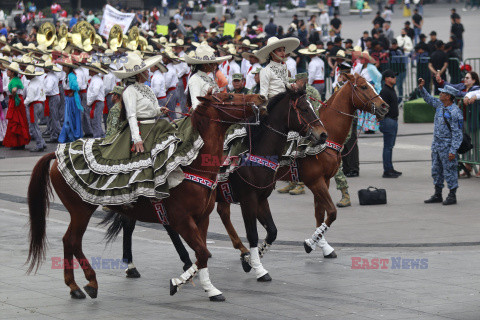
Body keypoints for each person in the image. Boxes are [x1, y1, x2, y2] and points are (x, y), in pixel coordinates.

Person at [419, 80, 463, 205]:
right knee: (436, 170)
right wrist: (422, 89)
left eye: (443, 93)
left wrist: (453, 150)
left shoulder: (455, 112)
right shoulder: (440, 105)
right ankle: (437, 194)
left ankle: (452, 195)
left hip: (447, 146)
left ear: (448, 96)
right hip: (437, 145)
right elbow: (428, 99)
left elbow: (457, 134)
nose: (440, 94)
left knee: (450, 170)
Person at [185, 44, 231, 110]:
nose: (214, 65)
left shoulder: (208, 77)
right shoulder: (195, 79)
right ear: (204, 65)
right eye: (212, 63)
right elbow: (196, 105)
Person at [2, 62, 30, 149]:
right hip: (17, 101)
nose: (7, 72)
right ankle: (19, 143)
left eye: (8, 70)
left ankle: (17, 143)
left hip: (15, 101)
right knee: (20, 121)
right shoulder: (15, 79)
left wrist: (13, 96)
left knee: (16, 121)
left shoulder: (14, 80)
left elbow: (14, 90)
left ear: (12, 72)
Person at [379, 70, 401, 178]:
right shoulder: (385, 91)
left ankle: (390, 168)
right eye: (392, 77)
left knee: (390, 146)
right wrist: (384, 120)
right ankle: (387, 170)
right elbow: (381, 108)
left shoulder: (391, 90)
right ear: (387, 78)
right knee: (388, 147)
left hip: (392, 120)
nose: (395, 78)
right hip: (388, 121)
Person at [57, 56, 83, 143]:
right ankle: (69, 135)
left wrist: (73, 91)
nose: (63, 67)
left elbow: (76, 86)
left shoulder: (71, 76)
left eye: (64, 66)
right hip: (68, 98)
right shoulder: (67, 75)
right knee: (69, 117)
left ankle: (73, 135)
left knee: (71, 117)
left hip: (72, 99)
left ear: (68, 67)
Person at [23, 65, 47, 152]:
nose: (25, 75)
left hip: (33, 105)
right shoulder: (39, 81)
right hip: (40, 103)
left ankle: (39, 144)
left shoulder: (32, 85)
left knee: (33, 126)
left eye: (26, 74)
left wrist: (24, 103)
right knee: (35, 125)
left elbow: (29, 98)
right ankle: (42, 142)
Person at [85, 62, 107, 138]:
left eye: (90, 70)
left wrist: (89, 102)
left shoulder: (96, 80)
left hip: (96, 103)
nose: (88, 71)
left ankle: (97, 138)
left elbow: (95, 93)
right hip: (96, 102)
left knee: (95, 122)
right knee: (95, 121)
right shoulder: (95, 79)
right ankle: (100, 136)